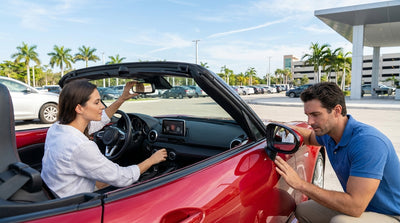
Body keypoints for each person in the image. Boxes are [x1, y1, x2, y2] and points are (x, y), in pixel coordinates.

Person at [274, 82, 400, 222]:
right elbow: (309, 137)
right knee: (304, 210)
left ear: (337, 111)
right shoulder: (330, 134)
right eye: (308, 115)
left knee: (341, 221)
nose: (309, 121)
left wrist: (300, 184)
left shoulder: (368, 143)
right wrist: (278, 126)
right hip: (364, 206)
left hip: (391, 214)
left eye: (315, 114)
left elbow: (355, 207)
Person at [41, 80, 167, 198]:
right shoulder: (81, 146)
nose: (102, 106)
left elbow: (102, 119)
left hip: (56, 192)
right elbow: (123, 178)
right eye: (96, 103)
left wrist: (121, 99)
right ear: (79, 108)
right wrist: (152, 160)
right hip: (76, 203)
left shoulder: (57, 128)